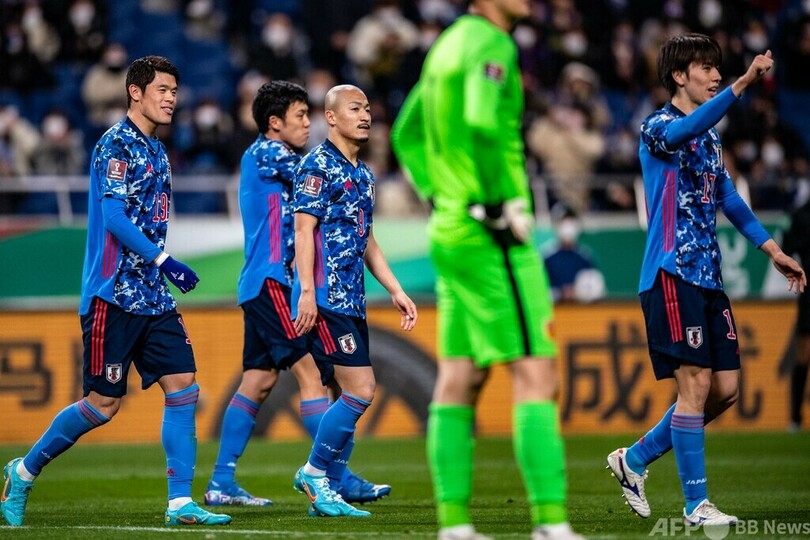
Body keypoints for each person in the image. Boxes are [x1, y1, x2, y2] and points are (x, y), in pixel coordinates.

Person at [0, 56, 232, 528]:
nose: (172, 97)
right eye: (162, 89)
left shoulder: (159, 150)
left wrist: (159, 270)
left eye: (174, 90)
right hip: (114, 294)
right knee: (102, 405)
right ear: (135, 92)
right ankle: (22, 472)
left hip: (152, 296)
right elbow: (115, 218)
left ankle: (179, 503)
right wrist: (164, 261)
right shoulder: (117, 145)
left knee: (183, 386)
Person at [390, 1, 583, 539]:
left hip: (451, 229)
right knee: (537, 373)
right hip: (491, 232)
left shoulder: (444, 47)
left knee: (459, 378)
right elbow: (479, 118)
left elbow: (406, 133)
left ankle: (454, 525)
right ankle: (550, 522)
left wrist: (441, 193)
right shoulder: (494, 44)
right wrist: (497, 202)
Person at [605, 34, 806, 528]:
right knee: (694, 386)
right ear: (679, 75)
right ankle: (696, 505)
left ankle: (633, 460)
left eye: (719, 68)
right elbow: (688, 128)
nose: (716, 74)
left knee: (726, 390)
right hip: (671, 274)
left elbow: (730, 199)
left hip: (708, 277)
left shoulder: (711, 138)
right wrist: (740, 85)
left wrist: (774, 249)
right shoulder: (657, 127)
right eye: (706, 67)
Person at [204, 80, 391, 508]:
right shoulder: (269, 153)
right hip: (273, 282)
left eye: (310, 115)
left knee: (259, 380)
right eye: (301, 116)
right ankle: (332, 477)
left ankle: (220, 481)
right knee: (311, 376)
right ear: (274, 123)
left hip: (262, 282)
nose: (308, 124)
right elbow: (325, 171)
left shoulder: (279, 159)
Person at [290, 84, 418, 518]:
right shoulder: (316, 166)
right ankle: (315, 473)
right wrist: (306, 291)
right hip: (324, 298)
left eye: (368, 107)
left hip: (352, 300)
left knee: (336, 391)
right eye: (355, 108)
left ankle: (331, 489)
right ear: (331, 117)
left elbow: (368, 241)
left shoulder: (363, 175)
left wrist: (395, 289)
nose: (365, 115)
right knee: (361, 389)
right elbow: (303, 231)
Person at [783, 199, 810, 431]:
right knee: (803, 352)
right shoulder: (802, 215)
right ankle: (795, 417)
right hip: (808, 290)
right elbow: (789, 246)